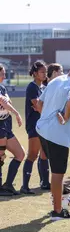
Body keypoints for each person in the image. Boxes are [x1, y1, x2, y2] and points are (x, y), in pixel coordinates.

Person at [35, 59, 70, 219]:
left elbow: (39, 104)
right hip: (57, 136)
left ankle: (60, 195)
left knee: (56, 173)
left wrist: (48, 116)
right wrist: (65, 116)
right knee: (58, 174)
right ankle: (57, 211)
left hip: (42, 130)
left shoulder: (55, 80)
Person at [21, 61, 49, 194]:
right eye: (42, 72)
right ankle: (24, 186)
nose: (45, 74)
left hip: (44, 125)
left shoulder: (43, 87)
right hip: (34, 125)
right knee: (32, 154)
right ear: (35, 73)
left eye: (45, 72)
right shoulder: (32, 87)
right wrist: (42, 107)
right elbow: (38, 106)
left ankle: (45, 183)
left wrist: (42, 108)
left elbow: (42, 107)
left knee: (45, 154)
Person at [0, 64, 24, 196]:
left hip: (5, 126)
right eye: (2, 73)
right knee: (0, 157)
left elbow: (7, 102)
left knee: (20, 154)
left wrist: (10, 108)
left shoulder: (2, 88)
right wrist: (17, 113)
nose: (4, 76)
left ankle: (8, 185)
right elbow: (3, 102)